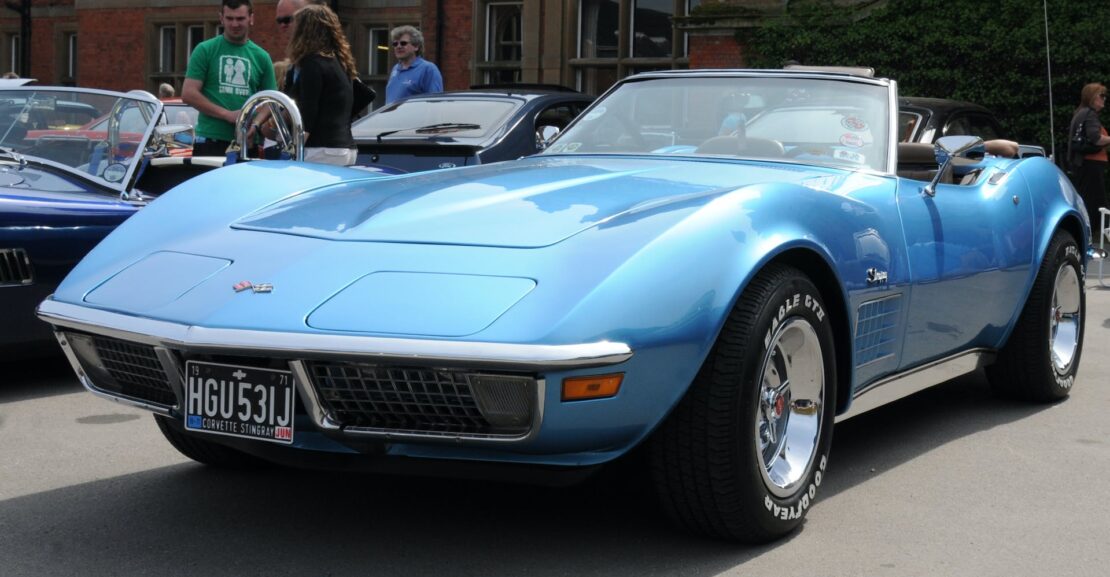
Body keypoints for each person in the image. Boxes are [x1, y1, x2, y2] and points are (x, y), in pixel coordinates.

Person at [182, 0, 277, 157]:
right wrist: (226, 114)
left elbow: (271, 101)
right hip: (210, 140)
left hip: (247, 142)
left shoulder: (262, 57)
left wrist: (255, 124)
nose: (234, 24)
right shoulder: (205, 50)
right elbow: (188, 93)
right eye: (229, 18)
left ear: (251, 18)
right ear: (221, 18)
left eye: (240, 19)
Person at [280, 3, 357, 166]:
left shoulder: (312, 64)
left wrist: (294, 150)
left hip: (320, 149)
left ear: (304, 31)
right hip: (346, 148)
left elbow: (309, 112)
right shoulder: (341, 63)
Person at [1067, 83, 1110, 235]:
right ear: (1092, 97)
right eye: (1101, 95)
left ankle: (1086, 234)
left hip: (1084, 165)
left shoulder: (1080, 113)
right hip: (1091, 165)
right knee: (1097, 204)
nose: (1104, 99)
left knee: (1089, 202)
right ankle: (1090, 235)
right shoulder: (1090, 114)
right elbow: (1096, 138)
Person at [385, 25, 442, 104]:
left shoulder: (428, 69)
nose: (398, 46)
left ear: (416, 46)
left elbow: (435, 103)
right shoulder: (395, 69)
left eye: (403, 43)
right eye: (395, 44)